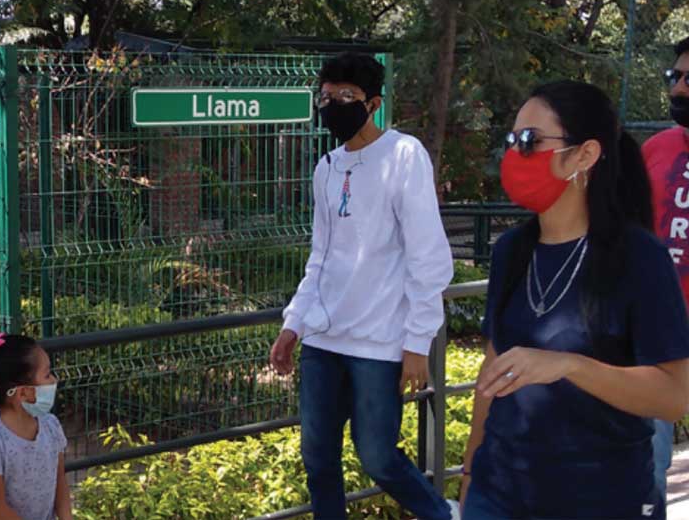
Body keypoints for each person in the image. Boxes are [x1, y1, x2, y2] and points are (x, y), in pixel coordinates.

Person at [460, 81, 689, 519]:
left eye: (529, 141)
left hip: (602, 498)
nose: (514, 155)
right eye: (511, 141)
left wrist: (568, 365)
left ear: (585, 154)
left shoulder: (640, 258)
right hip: (499, 492)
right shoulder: (511, 250)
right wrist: (471, 474)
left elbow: (674, 398)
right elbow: (493, 373)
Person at [269, 52, 457, 520]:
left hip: (379, 342)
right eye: (326, 96)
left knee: (377, 456)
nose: (332, 105)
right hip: (322, 339)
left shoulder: (404, 154)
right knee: (317, 458)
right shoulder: (326, 168)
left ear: (372, 103)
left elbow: (428, 256)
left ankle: (444, 515)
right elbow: (321, 256)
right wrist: (293, 324)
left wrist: (418, 342)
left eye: (345, 97)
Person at [642, 34, 689, 503]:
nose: (677, 89)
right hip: (657, 333)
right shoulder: (655, 149)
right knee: (647, 467)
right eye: (674, 76)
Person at [0, 333, 72, 520]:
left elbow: (60, 483)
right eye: (47, 374)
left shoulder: (51, 426)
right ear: (23, 392)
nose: (54, 380)